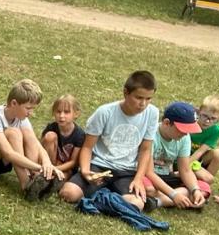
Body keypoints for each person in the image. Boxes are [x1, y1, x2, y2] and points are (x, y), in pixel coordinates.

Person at [60, 70, 159, 211]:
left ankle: (103, 196)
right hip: (99, 165)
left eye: (148, 99)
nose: (143, 104)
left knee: (136, 205)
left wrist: (138, 179)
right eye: (139, 98)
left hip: (126, 170)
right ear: (126, 92)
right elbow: (87, 147)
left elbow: (145, 150)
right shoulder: (105, 112)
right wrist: (86, 171)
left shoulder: (152, 113)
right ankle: (108, 197)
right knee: (68, 193)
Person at [0, 78, 60, 200]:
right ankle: (26, 183)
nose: (30, 113)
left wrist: (47, 163)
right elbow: (8, 153)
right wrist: (39, 167)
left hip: (1, 162)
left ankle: (36, 178)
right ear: (14, 103)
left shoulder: (21, 117)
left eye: (33, 109)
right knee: (13, 133)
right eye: (28, 108)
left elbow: (36, 143)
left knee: (27, 133)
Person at [143, 101, 206, 210]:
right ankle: (180, 198)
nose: (185, 134)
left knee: (203, 187)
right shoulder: (151, 134)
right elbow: (149, 172)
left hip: (167, 176)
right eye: (183, 130)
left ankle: (158, 201)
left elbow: (185, 170)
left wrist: (195, 190)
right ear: (166, 123)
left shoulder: (184, 138)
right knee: (149, 189)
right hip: (149, 176)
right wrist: (173, 195)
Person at [41, 94, 85, 177]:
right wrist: (50, 167)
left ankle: (51, 177)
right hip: (50, 164)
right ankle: (46, 173)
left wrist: (56, 169)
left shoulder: (80, 135)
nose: (61, 116)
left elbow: (73, 162)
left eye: (66, 112)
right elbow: (40, 149)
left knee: (62, 178)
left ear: (76, 114)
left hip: (67, 169)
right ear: (53, 112)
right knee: (50, 136)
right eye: (58, 112)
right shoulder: (51, 128)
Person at [189, 95, 219, 188]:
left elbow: (201, 151)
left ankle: (202, 185)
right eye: (205, 116)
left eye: (213, 118)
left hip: (198, 159)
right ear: (199, 112)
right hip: (181, 156)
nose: (207, 121)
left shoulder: (216, 130)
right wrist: (184, 167)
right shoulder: (190, 122)